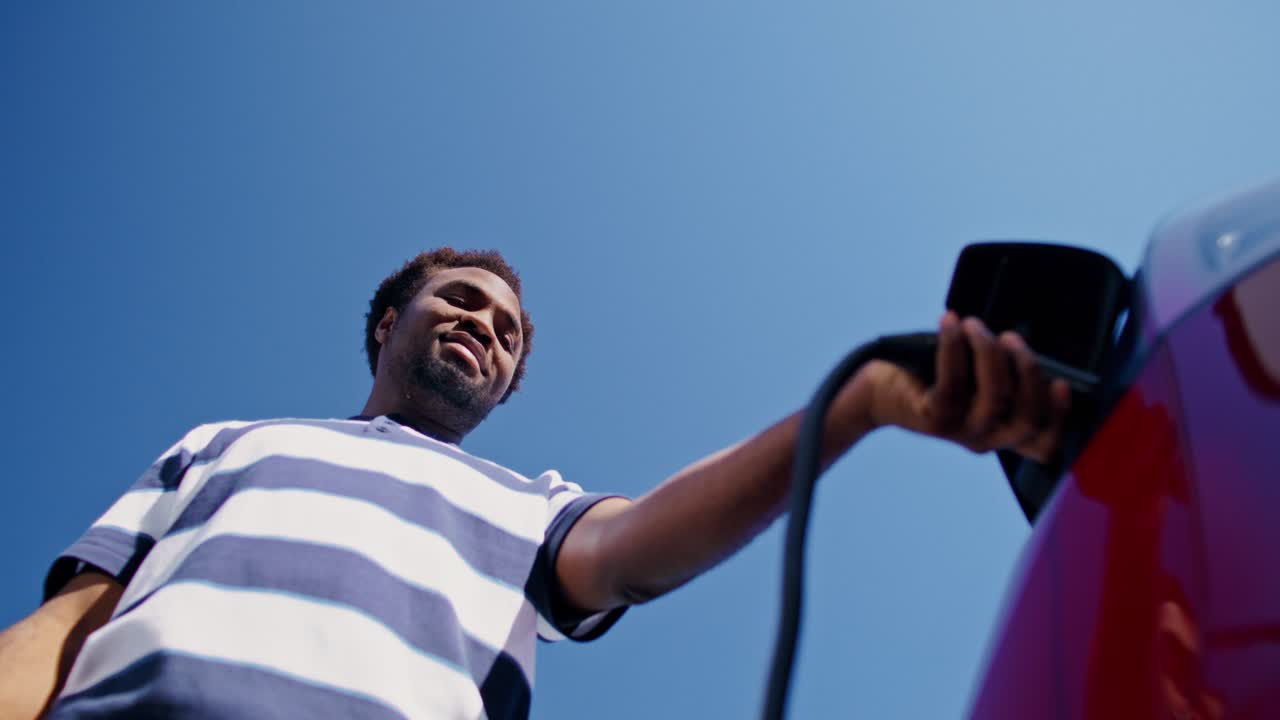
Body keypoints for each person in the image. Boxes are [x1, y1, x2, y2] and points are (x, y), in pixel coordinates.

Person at [0, 248, 1070, 719]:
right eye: (460, 300)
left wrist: (855, 407)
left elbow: (637, 546)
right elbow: (67, 628)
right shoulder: (223, 442)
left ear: (506, 384)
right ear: (390, 324)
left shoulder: (526, 505)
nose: (484, 325)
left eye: (506, 332)